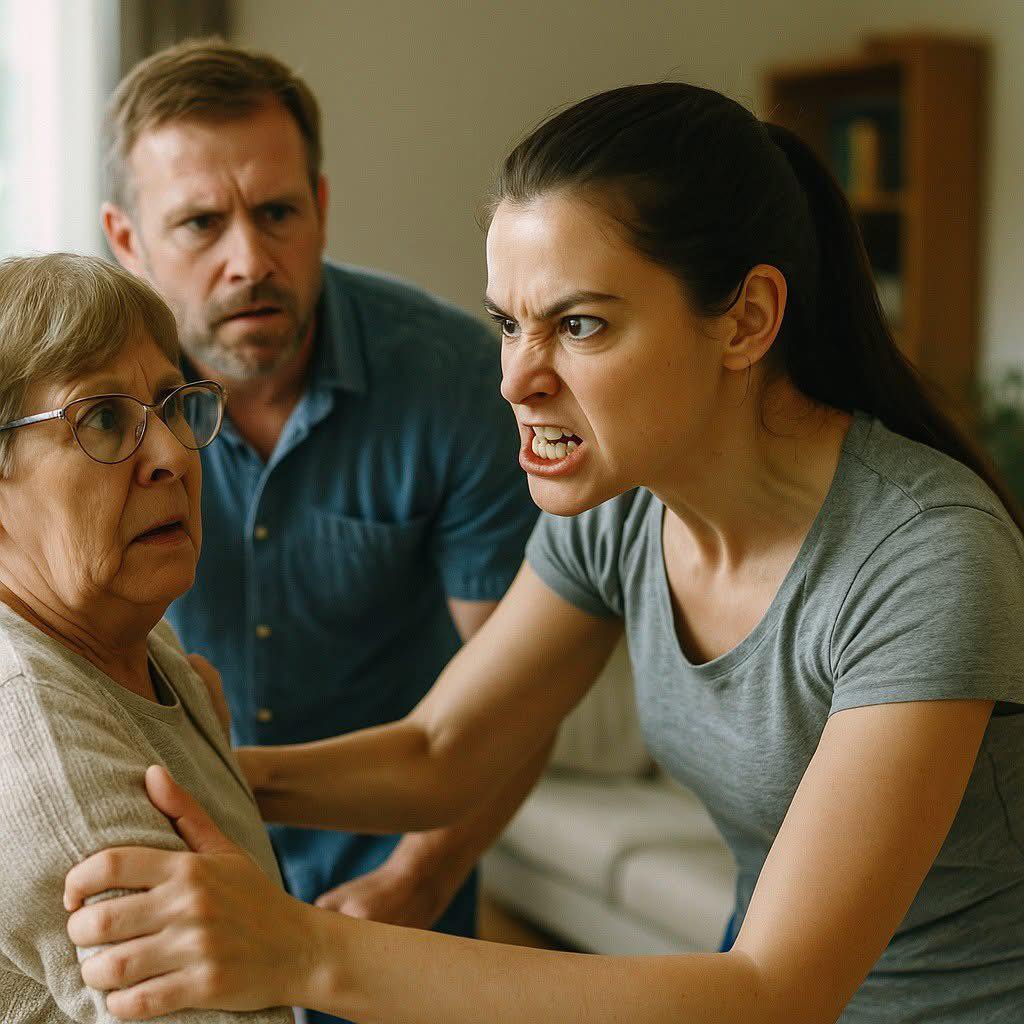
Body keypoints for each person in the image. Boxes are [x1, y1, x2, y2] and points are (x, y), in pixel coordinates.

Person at [68, 82, 1024, 1023]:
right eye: (508, 324)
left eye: (579, 325)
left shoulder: (925, 559)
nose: (518, 379)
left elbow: (777, 991)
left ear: (746, 320)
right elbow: (444, 752)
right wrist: (207, 767)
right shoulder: (622, 508)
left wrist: (305, 951)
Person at [99, 36, 541, 1001]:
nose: (249, 259)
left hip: (398, 869)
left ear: (323, 207)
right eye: (201, 224)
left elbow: (514, 706)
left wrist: (417, 876)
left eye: (278, 212)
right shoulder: (80, 415)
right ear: (127, 241)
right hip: (162, 855)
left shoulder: (461, 384)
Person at [0, 253, 295, 1024]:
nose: (171, 455)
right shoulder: (33, 728)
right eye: (101, 418)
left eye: (170, 404)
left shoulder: (135, 636)